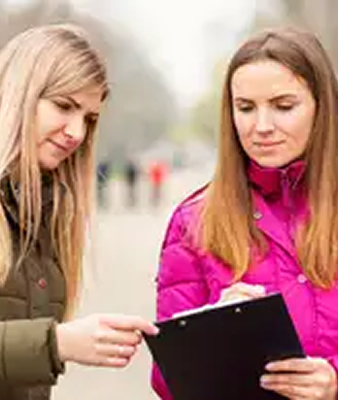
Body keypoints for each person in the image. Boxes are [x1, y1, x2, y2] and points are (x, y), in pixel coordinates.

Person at [152, 27, 338, 400]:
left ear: (322, 107)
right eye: (246, 108)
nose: (262, 127)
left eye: (284, 106)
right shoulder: (194, 221)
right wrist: (210, 328)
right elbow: (166, 382)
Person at [0, 24, 158, 400]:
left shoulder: (46, 210)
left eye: (89, 118)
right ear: (19, 94)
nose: (76, 132)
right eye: (64, 106)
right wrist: (57, 343)